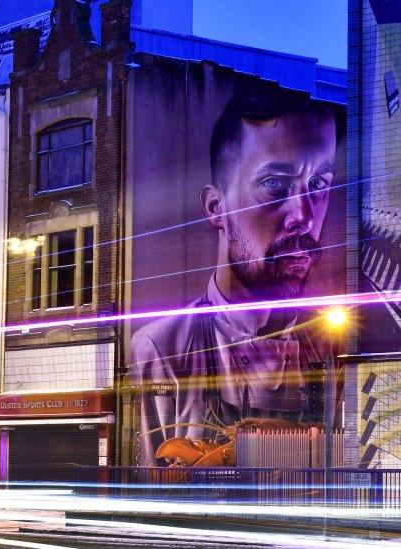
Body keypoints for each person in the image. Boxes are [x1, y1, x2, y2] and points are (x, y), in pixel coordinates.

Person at [131, 84, 340, 466]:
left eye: (318, 185)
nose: (305, 215)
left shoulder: (332, 348)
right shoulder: (162, 348)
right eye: (275, 185)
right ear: (216, 207)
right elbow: (154, 488)